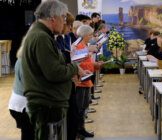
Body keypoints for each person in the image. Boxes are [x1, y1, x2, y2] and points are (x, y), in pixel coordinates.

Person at [21, 1, 88, 139]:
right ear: (53, 18)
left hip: (49, 104)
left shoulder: (42, 35)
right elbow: (54, 73)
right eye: (63, 18)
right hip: (46, 106)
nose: (64, 22)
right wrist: (74, 68)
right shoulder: (41, 37)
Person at [75, 25, 104, 138]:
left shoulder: (83, 46)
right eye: (90, 35)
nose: (92, 37)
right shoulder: (78, 46)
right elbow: (78, 63)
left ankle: (81, 129)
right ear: (85, 35)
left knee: (84, 106)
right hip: (81, 81)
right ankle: (79, 130)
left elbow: (87, 62)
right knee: (80, 108)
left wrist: (95, 65)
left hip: (86, 79)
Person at [8, 37, 34, 140]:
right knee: (29, 134)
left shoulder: (22, 58)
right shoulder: (26, 62)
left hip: (18, 104)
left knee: (28, 133)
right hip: (22, 106)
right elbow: (28, 86)